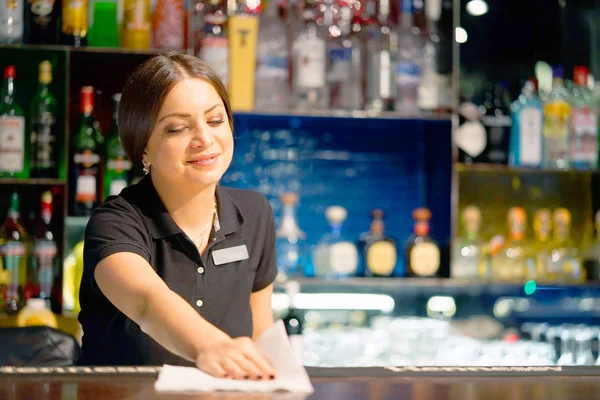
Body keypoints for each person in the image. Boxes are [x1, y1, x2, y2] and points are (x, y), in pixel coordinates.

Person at [77, 52, 278, 381]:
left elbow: (260, 335)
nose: (205, 139)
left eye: (215, 121)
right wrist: (209, 346)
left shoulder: (255, 214)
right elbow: (146, 301)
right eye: (178, 128)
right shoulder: (114, 223)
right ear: (143, 147)